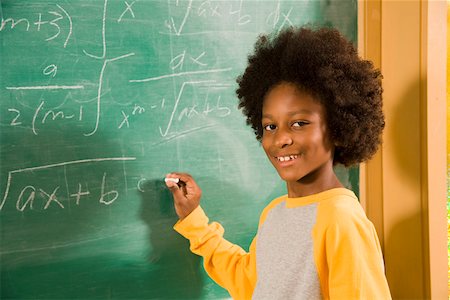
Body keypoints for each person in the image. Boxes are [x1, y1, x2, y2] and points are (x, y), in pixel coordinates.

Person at [164, 26, 391, 299]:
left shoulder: (341, 221)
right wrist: (194, 221)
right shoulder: (275, 213)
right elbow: (251, 282)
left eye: (299, 123)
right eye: (270, 126)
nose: (280, 139)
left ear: (339, 128)